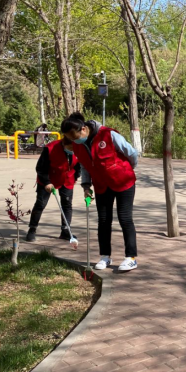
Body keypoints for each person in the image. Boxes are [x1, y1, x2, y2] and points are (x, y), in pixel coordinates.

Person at [61, 112, 139, 271]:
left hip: (123, 181)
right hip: (101, 185)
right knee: (103, 220)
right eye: (71, 139)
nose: (74, 141)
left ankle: (130, 258)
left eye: (75, 137)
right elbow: (85, 166)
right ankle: (105, 256)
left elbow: (131, 153)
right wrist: (86, 186)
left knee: (125, 218)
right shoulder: (77, 145)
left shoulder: (108, 134)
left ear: (83, 129)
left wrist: (125, 169)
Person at [26, 137, 81, 242]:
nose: (73, 150)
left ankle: (65, 230)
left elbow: (78, 165)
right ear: (64, 144)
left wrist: (75, 177)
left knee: (67, 205)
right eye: (71, 148)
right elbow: (40, 168)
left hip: (67, 179)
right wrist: (47, 182)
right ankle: (32, 229)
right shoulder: (50, 148)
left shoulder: (79, 148)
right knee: (41, 204)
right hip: (48, 179)